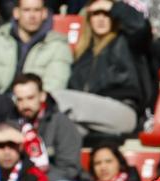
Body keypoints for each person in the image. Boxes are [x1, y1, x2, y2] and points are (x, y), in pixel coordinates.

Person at [55, 0, 151, 136]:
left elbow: (141, 27)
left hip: (122, 110)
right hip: (90, 116)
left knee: (57, 98)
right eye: (96, 14)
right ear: (89, 18)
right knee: (61, 130)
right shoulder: (82, 53)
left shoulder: (126, 42)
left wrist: (113, 6)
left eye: (106, 14)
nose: (101, 19)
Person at [10, 73, 83, 181]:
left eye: (30, 98)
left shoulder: (60, 122)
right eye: (19, 99)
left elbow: (70, 168)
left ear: (42, 95)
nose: (25, 104)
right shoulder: (13, 125)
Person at [0, 0, 72, 94]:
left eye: (37, 10)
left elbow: (55, 87)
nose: (32, 16)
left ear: (44, 13)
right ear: (16, 13)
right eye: (26, 10)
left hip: (34, 104)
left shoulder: (58, 46)